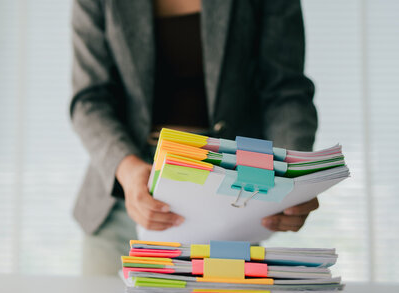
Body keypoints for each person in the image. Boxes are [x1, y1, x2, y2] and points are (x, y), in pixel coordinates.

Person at [70, 0, 320, 275]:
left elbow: (285, 91)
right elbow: (89, 100)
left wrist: (292, 171)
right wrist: (127, 171)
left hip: (231, 194)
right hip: (123, 189)